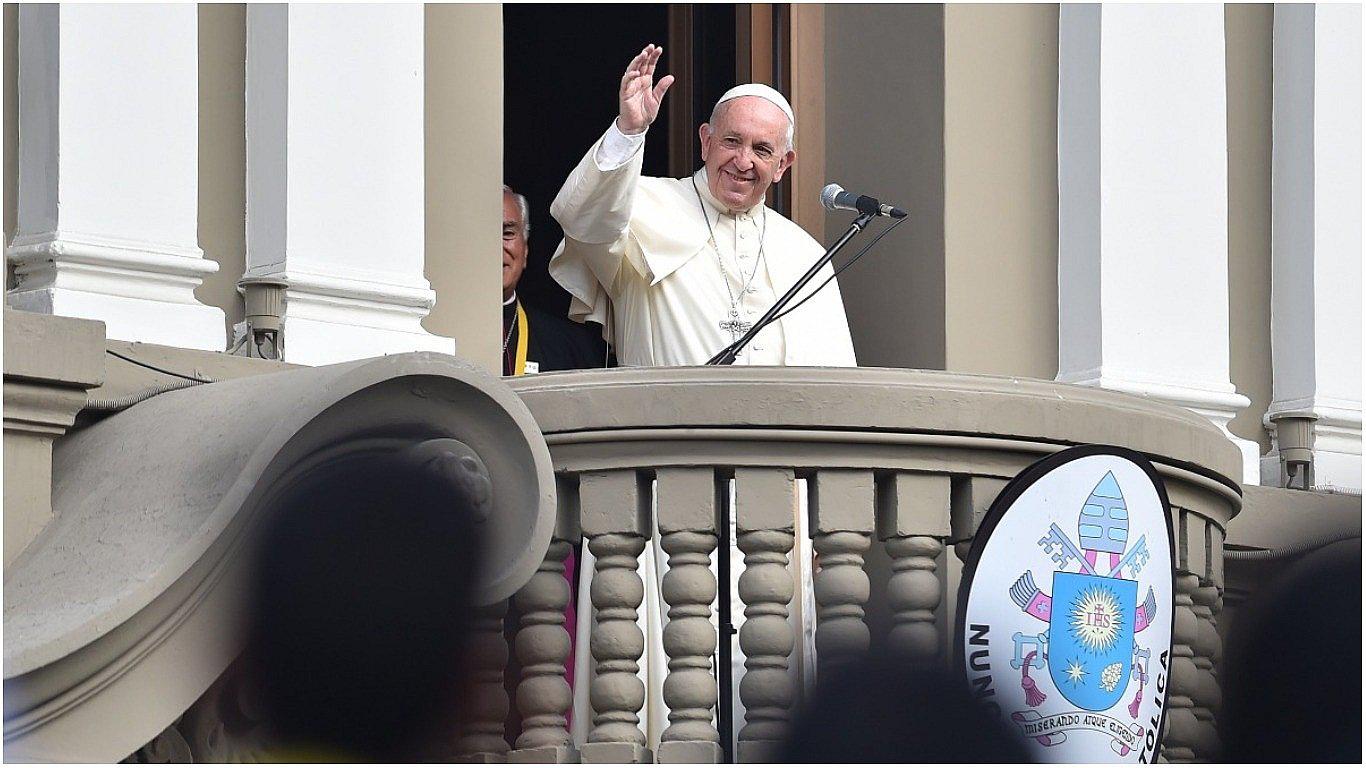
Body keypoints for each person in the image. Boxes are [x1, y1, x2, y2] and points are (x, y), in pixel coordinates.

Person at [549, 44, 856, 367]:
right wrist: (629, 131)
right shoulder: (640, 207)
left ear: (783, 164)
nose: (743, 161)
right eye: (732, 141)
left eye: (762, 150)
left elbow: (835, 375)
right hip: (666, 417)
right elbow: (581, 218)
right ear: (706, 142)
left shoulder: (805, 253)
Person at [502, 185, 609, 376]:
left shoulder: (568, 347)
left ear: (525, 251)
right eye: (486, 235)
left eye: (508, 233)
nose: (496, 246)